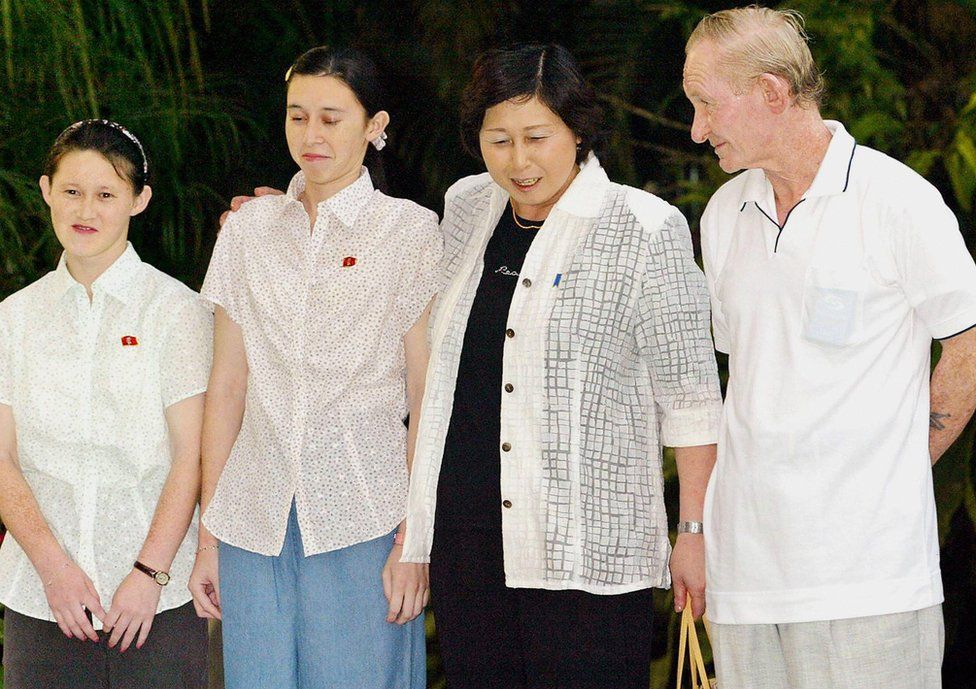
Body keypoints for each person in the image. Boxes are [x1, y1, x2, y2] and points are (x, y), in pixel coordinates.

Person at [398, 43, 722, 689]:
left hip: (588, 552)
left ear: (577, 130)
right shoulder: (464, 207)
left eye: (537, 137)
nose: (519, 161)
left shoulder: (644, 227)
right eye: (499, 140)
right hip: (469, 543)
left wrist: (694, 529)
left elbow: (691, 398)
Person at [683, 7, 976, 689]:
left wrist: (901, 462)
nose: (697, 128)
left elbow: (968, 342)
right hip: (746, 580)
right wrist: (698, 530)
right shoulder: (724, 214)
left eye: (705, 104)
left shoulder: (896, 200)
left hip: (867, 582)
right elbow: (741, 384)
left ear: (772, 93)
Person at [187, 46, 439, 689]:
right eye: (298, 117)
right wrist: (209, 533)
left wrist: (415, 538)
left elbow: (426, 392)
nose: (312, 134)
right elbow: (226, 390)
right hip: (251, 515)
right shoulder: (247, 232)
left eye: (332, 117)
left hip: (364, 514)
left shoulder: (408, 231)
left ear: (374, 125)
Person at [0, 119, 212, 688]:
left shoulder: (177, 310)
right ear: (46, 190)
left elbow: (192, 456)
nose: (85, 209)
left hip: (155, 605)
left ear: (139, 200)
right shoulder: (13, 319)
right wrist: (52, 568)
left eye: (106, 194)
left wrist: (149, 573)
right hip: (41, 599)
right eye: (71, 191)